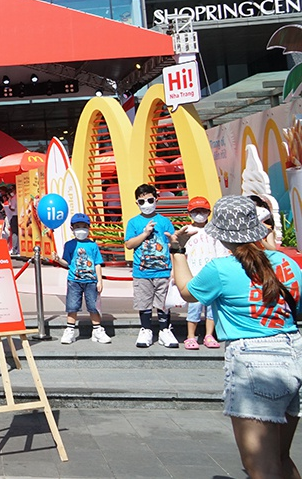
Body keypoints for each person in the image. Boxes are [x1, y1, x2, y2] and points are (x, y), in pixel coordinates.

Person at [170, 196, 302, 479]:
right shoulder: (288, 264)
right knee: (281, 457)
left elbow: (186, 290)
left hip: (255, 361)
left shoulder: (221, 268)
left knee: (260, 468)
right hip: (295, 352)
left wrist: (177, 249)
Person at [124, 184, 177, 348]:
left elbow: (173, 244)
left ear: (156, 199)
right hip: (142, 272)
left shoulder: (164, 221)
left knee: (163, 303)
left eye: (150, 200)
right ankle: (146, 329)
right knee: (144, 303)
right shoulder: (134, 222)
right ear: (137, 203)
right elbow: (129, 244)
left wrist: (175, 269)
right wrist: (145, 233)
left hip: (163, 270)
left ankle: (164, 330)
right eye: (142, 201)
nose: (146, 204)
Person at [173, 197, 225, 350]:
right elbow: (179, 252)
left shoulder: (215, 231)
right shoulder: (186, 231)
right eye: (196, 211)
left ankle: (209, 334)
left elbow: (221, 252)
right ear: (190, 213)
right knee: (194, 306)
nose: (200, 214)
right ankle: (191, 336)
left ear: (209, 212)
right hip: (193, 274)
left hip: (212, 274)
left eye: (203, 211)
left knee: (211, 307)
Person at [59, 214, 110, 345]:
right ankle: (70, 329)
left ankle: (97, 329)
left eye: (83, 227)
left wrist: (100, 280)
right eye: (77, 227)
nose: (80, 230)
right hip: (74, 281)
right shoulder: (69, 245)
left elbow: (97, 263)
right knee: (72, 306)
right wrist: (57, 259)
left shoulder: (93, 245)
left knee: (94, 306)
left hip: (91, 280)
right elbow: (67, 262)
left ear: (88, 228)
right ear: (72, 228)